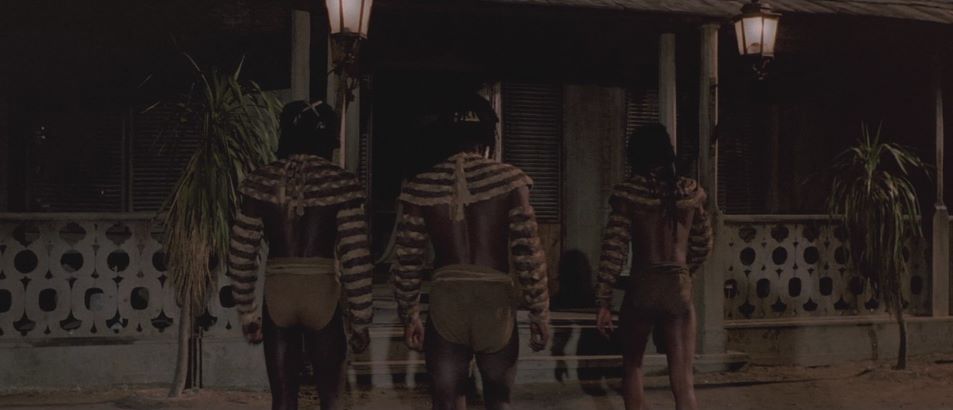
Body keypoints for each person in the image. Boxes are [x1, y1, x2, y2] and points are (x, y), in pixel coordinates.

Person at [390, 91, 550, 410]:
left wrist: (410, 314)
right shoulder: (511, 180)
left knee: (447, 400)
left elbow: (407, 259)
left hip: (448, 298)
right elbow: (528, 251)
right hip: (495, 299)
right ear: (487, 135)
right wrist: (539, 311)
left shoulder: (422, 185)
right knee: (499, 400)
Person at [227, 100, 374, 410]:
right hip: (322, 291)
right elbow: (356, 257)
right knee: (332, 401)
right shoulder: (341, 182)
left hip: (278, 292)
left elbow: (241, 254)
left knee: (282, 400)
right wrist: (361, 319)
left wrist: (247, 312)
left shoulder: (261, 181)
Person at [594, 124, 713, 410]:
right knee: (684, 380)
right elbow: (703, 243)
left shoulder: (629, 193)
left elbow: (614, 250)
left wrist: (603, 300)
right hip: (678, 284)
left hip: (643, 284)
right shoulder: (689, 192)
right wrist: (686, 271)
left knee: (633, 366)